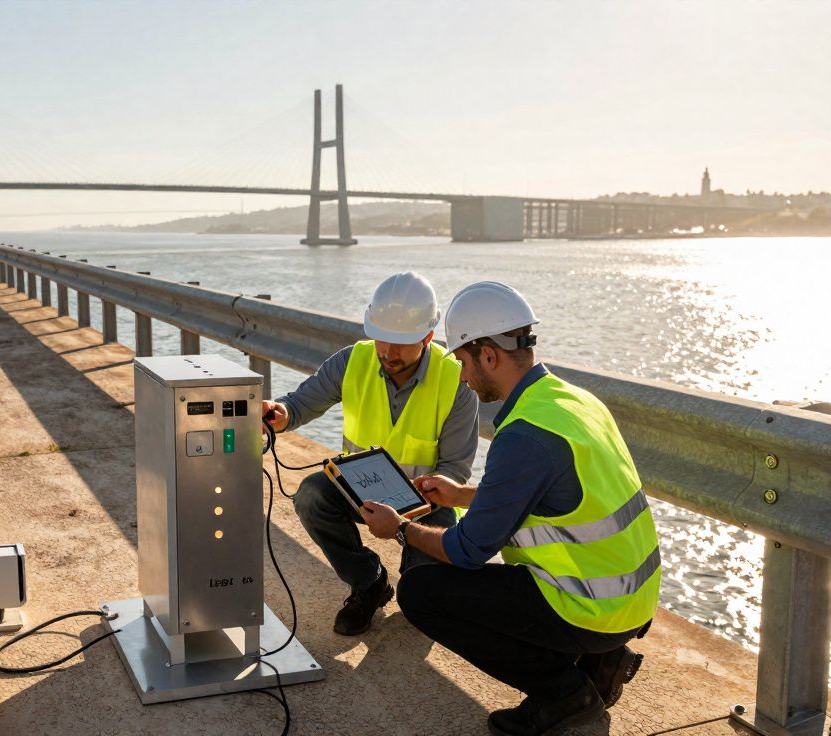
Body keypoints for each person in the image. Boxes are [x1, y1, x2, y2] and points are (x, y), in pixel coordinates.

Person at [359, 281, 661, 736]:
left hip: (590, 609)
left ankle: (566, 696)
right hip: (632, 600)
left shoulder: (522, 436)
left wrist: (399, 528)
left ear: (488, 355)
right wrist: (462, 495)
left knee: (422, 593)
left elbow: (467, 550)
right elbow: (554, 491)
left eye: (461, 361)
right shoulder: (572, 401)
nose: (460, 376)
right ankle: (601, 660)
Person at [262, 271, 480, 636]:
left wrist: (406, 522)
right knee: (312, 494)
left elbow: (456, 470)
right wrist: (280, 415)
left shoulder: (455, 378)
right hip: (360, 493)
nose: (388, 352)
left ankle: (416, 578)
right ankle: (368, 582)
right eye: (381, 339)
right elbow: (299, 403)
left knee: (420, 602)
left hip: (430, 504)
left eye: (400, 343)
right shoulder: (353, 361)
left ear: (427, 337)